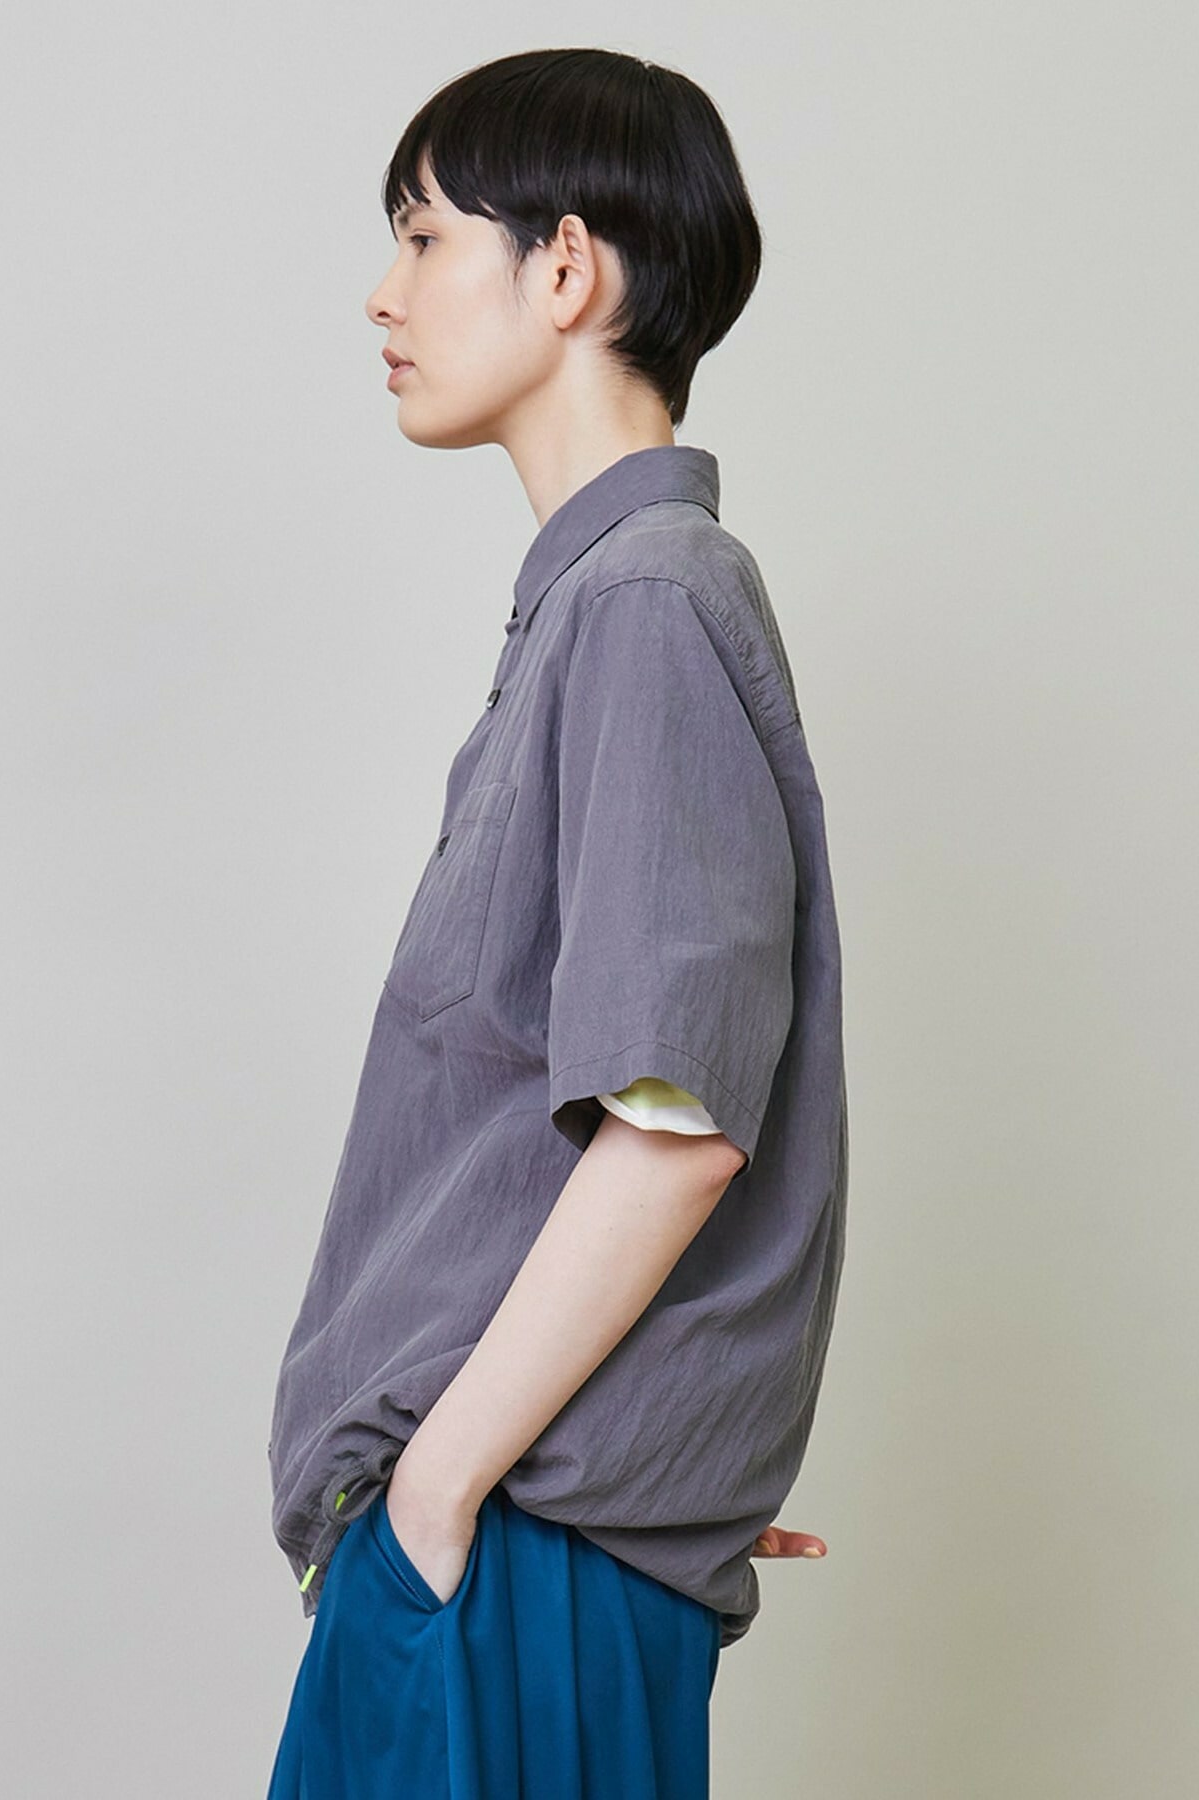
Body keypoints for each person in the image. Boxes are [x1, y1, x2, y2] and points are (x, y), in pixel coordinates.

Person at [265, 46, 848, 1800]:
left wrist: (449, 1492)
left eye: (423, 235)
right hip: (511, 1535)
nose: (384, 294)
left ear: (568, 268)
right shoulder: (606, 605)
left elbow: (675, 1124)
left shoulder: (646, 603)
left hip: (501, 1546)